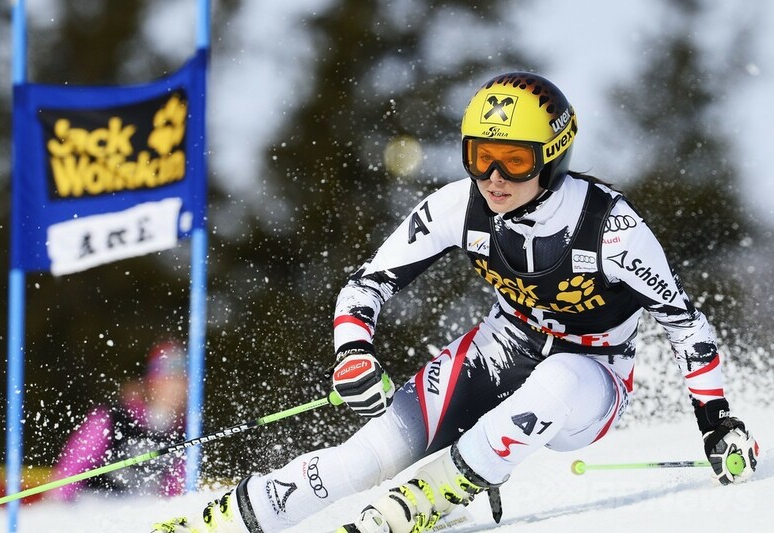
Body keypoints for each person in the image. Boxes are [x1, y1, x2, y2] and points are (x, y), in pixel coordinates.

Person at [153, 72, 759, 533]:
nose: (493, 178)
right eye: (479, 156)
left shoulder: (610, 228)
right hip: (499, 349)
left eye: (515, 160)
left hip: (592, 378)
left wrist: (717, 423)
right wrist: (353, 352)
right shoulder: (456, 207)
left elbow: (686, 324)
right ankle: (226, 520)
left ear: (554, 157)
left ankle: (433, 494)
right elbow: (366, 285)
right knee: (364, 458)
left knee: (560, 378)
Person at [50, 340, 188, 501]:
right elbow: (71, 469)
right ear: (151, 382)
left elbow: (174, 491)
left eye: (182, 381)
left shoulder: (185, 431)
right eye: (168, 380)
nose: (176, 389)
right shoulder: (113, 417)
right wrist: (58, 501)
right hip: (94, 504)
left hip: (141, 508)